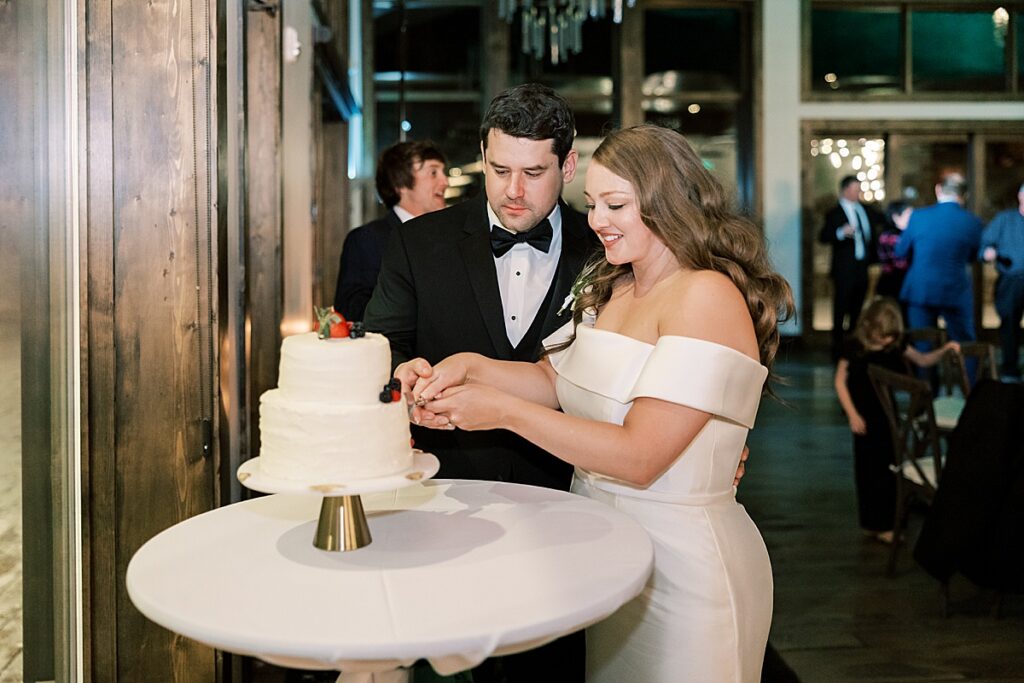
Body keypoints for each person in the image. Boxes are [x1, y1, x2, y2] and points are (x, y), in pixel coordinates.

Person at [400, 125, 794, 682]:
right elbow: (555, 379)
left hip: (685, 567)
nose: (597, 221)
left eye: (616, 204)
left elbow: (640, 455)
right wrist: (469, 366)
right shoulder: (617, 286)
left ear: (668, 203)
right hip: (613, 556)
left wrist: (503, 412)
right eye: (591, 204)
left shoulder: (705, 295)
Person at [363, 83, 595, 682]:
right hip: (448, 497)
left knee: (555, 666)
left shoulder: (604, 252)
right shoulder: (420, 242)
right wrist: (400, 375)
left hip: (571, 499)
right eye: (499, 169)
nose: (513, 191)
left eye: (534, 172)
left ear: (568, 166)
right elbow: (384, 348)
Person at [833, 297, 958, 543]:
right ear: (870, 329)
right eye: (883, 337)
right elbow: (840, 381)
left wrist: (945, 350)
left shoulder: (895, 346)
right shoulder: (855, 346)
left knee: (888, 468)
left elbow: (923, 360)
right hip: (863, 417)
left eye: (890, 337)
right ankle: (872, 523)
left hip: (887, 417)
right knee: (866, 471)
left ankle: (889, 524)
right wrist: (852, 414)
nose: (887, 342)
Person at [332, 140, 448, 320]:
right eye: (433, 172)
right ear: (401, 183)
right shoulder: (366, 240)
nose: (445, 181)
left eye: (443, 172)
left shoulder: (448, 238)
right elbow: (352, 310)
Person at [895, 172, 983, 343]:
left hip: (921, 289)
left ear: (938, 190)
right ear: (964, 195)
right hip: (955, 289)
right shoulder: (972, 222)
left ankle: (927, 370)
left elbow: (900, 251)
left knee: (923, 344)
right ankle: (967, 370)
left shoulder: (918, 217)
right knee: (964, 344)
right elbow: (974, 256)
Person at [819, 175, 882, 361]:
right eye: (855, 189)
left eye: (859, 189)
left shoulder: (866, 210)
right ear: (845, 190)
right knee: (840, 310)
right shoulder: (834, 212)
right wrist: (840, 232)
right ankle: (837, 350)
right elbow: (823, 236)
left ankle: (854, 348)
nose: (858, 193)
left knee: (857, 310)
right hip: (843, 270)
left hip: (862, 267)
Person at [979, 182, 1024, 381]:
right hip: (1011, 280)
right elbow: (985, 245)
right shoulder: (1005, 220)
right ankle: (1010, 370)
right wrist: (988, 253)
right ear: (1020, 197)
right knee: (1010, 326)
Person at [875, 200, 912, 301]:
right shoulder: (889, 236)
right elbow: (900, 263)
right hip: (894, 285)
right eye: (908, 214)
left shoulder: (905, 234)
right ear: (896, 217)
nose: (912, 218)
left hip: (902, 283)